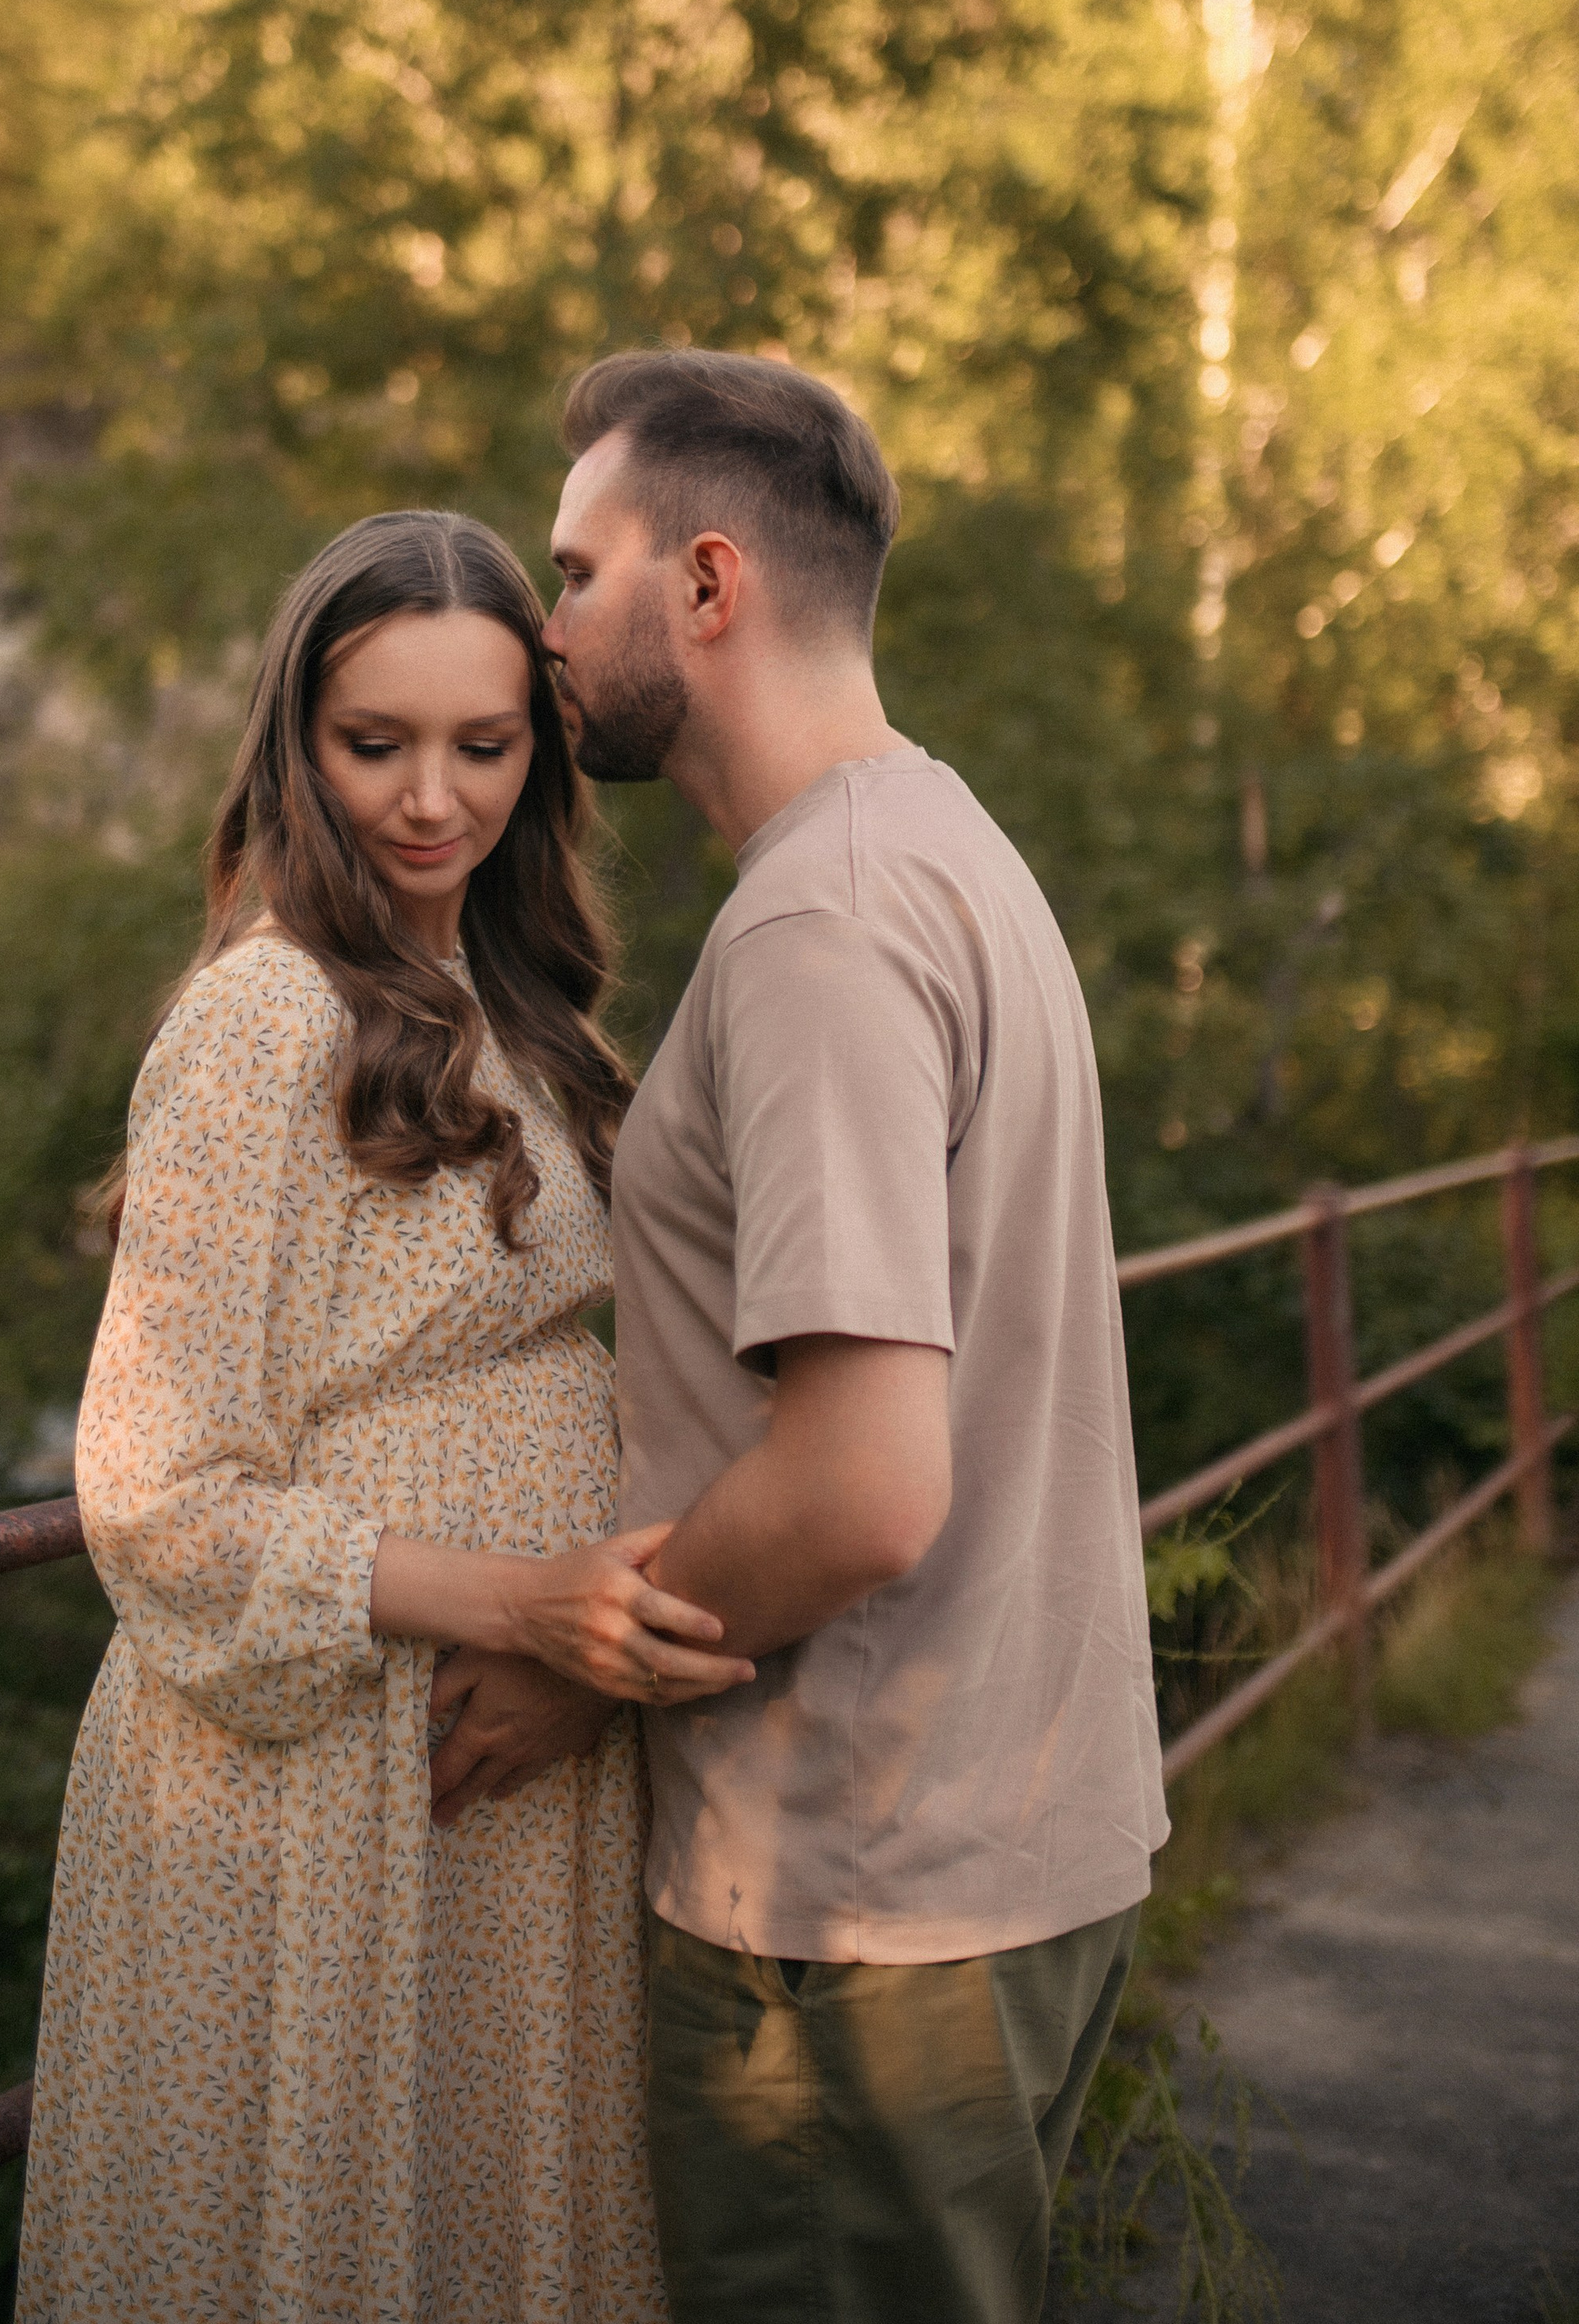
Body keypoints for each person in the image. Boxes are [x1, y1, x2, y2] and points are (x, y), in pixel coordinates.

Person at [435, 350, 1168, 2324]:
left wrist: (588, 1675)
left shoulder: (815, 931)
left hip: (853, 1900)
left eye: (570, 572)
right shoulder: (946, 852)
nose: (538, 625)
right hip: (1007, 1832)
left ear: (703, 584)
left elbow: (856, 1489)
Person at [17, 508, 749, 2324]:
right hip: (318, 1784)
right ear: (295, 743)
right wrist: (522, 1607)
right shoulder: (261, 1022)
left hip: (486, 1778)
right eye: (374, 743)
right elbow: (151, 1491)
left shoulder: (510, 1001)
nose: (431, 798)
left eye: (483, 745)